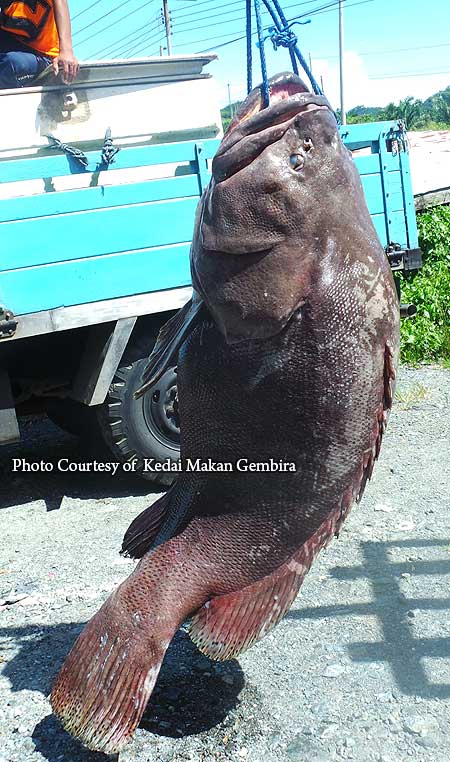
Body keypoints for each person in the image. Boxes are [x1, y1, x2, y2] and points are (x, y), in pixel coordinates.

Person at [0, 0, 79, 89]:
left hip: (42, 54)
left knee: (12, 63)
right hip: (11, 42)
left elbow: (61, 2)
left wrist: (66, 51)